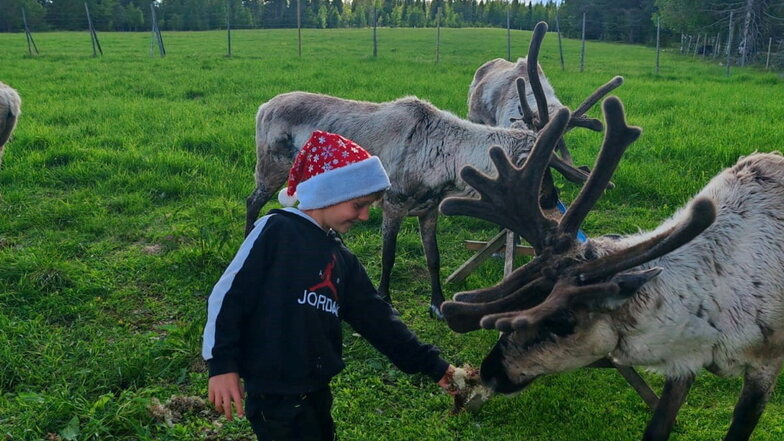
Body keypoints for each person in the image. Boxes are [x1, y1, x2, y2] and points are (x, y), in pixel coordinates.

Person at [202, 130, 456, 440]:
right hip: (274, 394)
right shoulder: (277, 230)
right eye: (358, 205)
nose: (364, 216)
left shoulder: (341, 257)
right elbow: (228, 296)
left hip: (316, 388)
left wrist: (432, 364)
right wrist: (222, 364)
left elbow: (377, 319)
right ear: (328, 193)